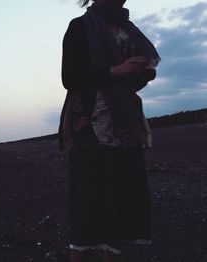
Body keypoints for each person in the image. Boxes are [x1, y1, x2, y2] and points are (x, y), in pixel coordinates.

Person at [58, 0, 161, 261]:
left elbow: (128, 82)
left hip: (126, 124)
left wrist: (141, 74)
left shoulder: (130, 30)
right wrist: (117, 69)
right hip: (89, 125)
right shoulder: (80, 26)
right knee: (88, 206)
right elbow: (70, 77)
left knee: (122, 202)